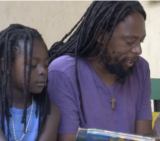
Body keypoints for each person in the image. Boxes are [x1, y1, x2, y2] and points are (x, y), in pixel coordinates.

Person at [48, 0, 152, 140]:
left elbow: (143, 136)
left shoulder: (141, 69)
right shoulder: (64, 73)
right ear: (100, 36)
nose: (138, 50)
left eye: (141, 41)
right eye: (129, 41)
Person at [0, 24, 60, 141]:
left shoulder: (50, 112)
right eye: (33, 65)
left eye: (46, 65)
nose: (43, 71)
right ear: (7, 66)